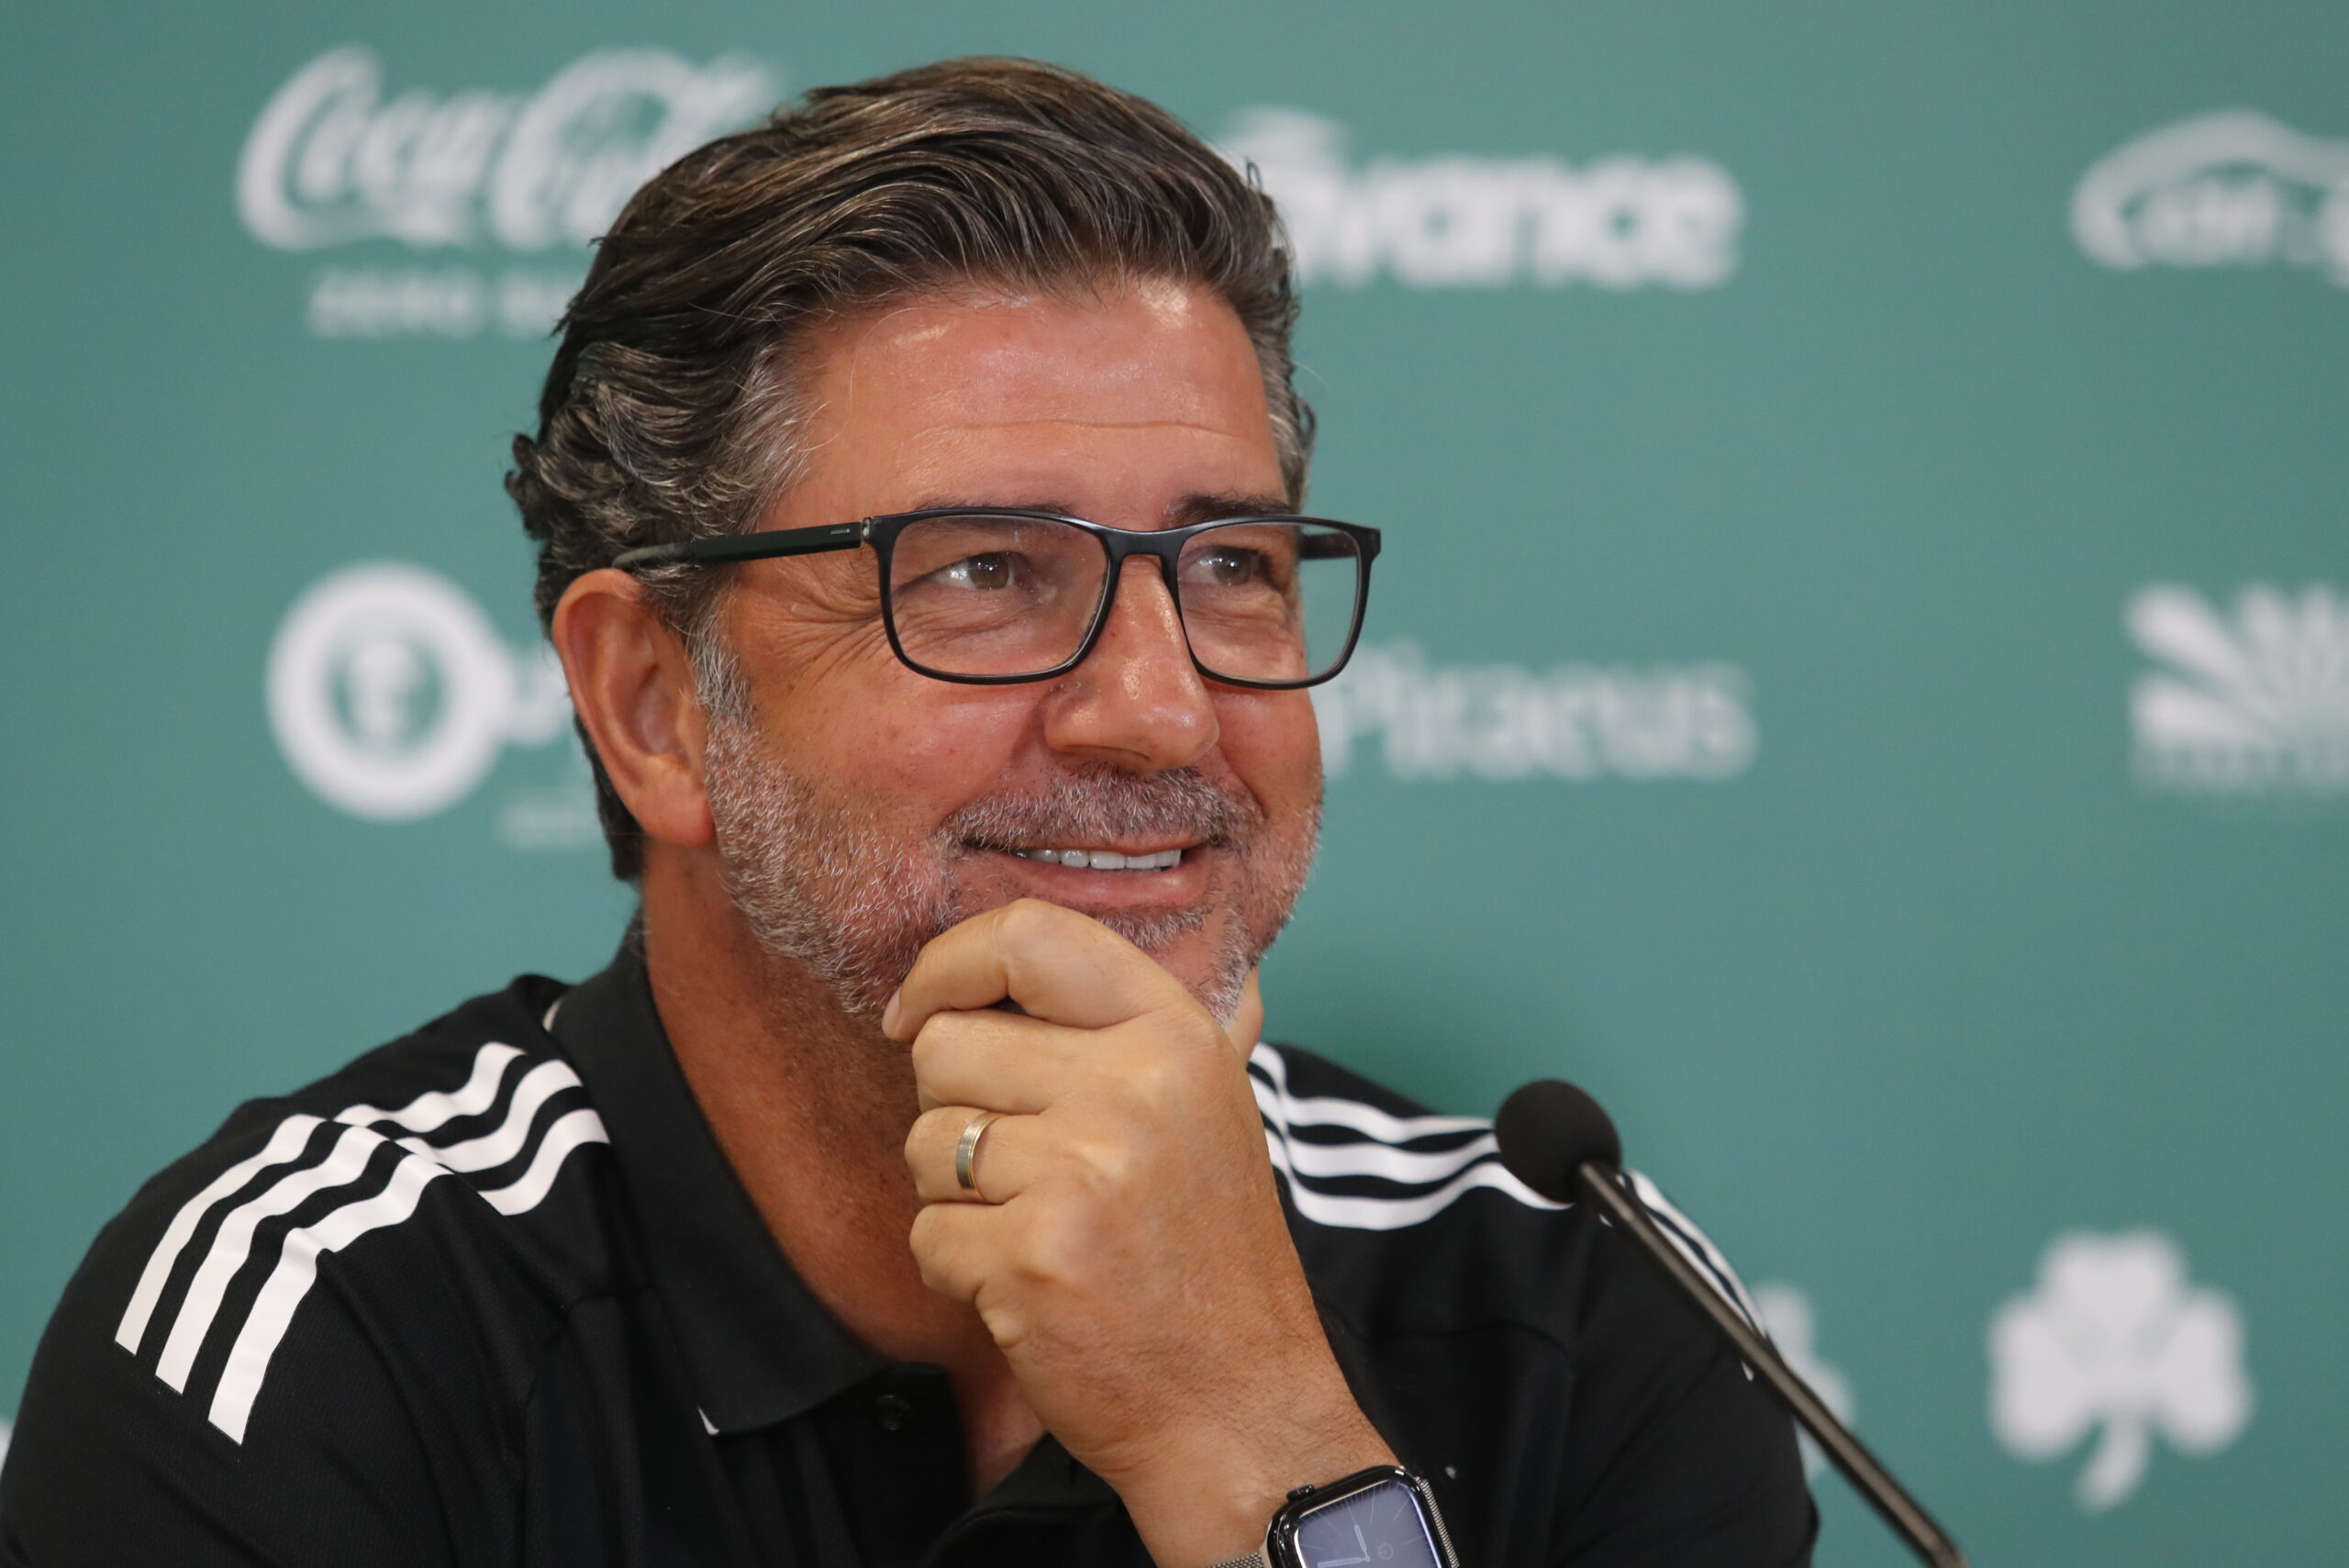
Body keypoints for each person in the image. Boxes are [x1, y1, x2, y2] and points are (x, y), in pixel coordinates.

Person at [0, 59, 1813, 1568]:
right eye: (981, 573)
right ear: (653, 706)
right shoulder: (318, 1327)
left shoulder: (1571, 1303)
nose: (1159, 707)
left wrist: (1257, 1437)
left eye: (1231, 566)